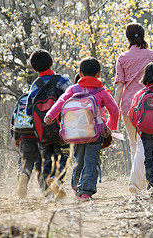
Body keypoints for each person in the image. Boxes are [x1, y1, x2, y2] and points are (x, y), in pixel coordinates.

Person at [44, 57, 119, 201]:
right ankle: (85, 191)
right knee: (91, 161)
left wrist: (50, 115)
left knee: (78, 160)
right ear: (98, 74)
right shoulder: (102, 92)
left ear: (80, 73)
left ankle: (77, 188)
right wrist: (109, 128)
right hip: (94, 133)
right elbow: (114, 111)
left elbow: (60, 103)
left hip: (75, 132)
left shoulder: (73, 89)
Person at [114, 22, 153, 194]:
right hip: (150, 104)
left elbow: (119, 88)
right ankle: (136, 180)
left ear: (127, 37)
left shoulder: (122, 58)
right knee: (144, 143)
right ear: (143, 35)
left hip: (128, 105)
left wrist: (114, 112)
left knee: (135, 144)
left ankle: (137, 183)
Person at [26, 49, 72, 200]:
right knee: (63, 157)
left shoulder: (34, 86)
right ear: (52, 63)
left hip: (42, 132)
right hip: (61, 129)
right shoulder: (62, 80)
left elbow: (28, 111)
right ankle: (57, 181)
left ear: (34, 68)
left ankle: (48, 195)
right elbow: (73, 99)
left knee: (46, 160)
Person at [10, 93, 43, 199]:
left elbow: (14, 118)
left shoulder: (23, 99)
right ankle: (45, 190)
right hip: (42, 136)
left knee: (25, 161)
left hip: (25, 136)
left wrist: (16, 137)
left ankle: (23, 175)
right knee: (41, 164)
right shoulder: (43, 97)